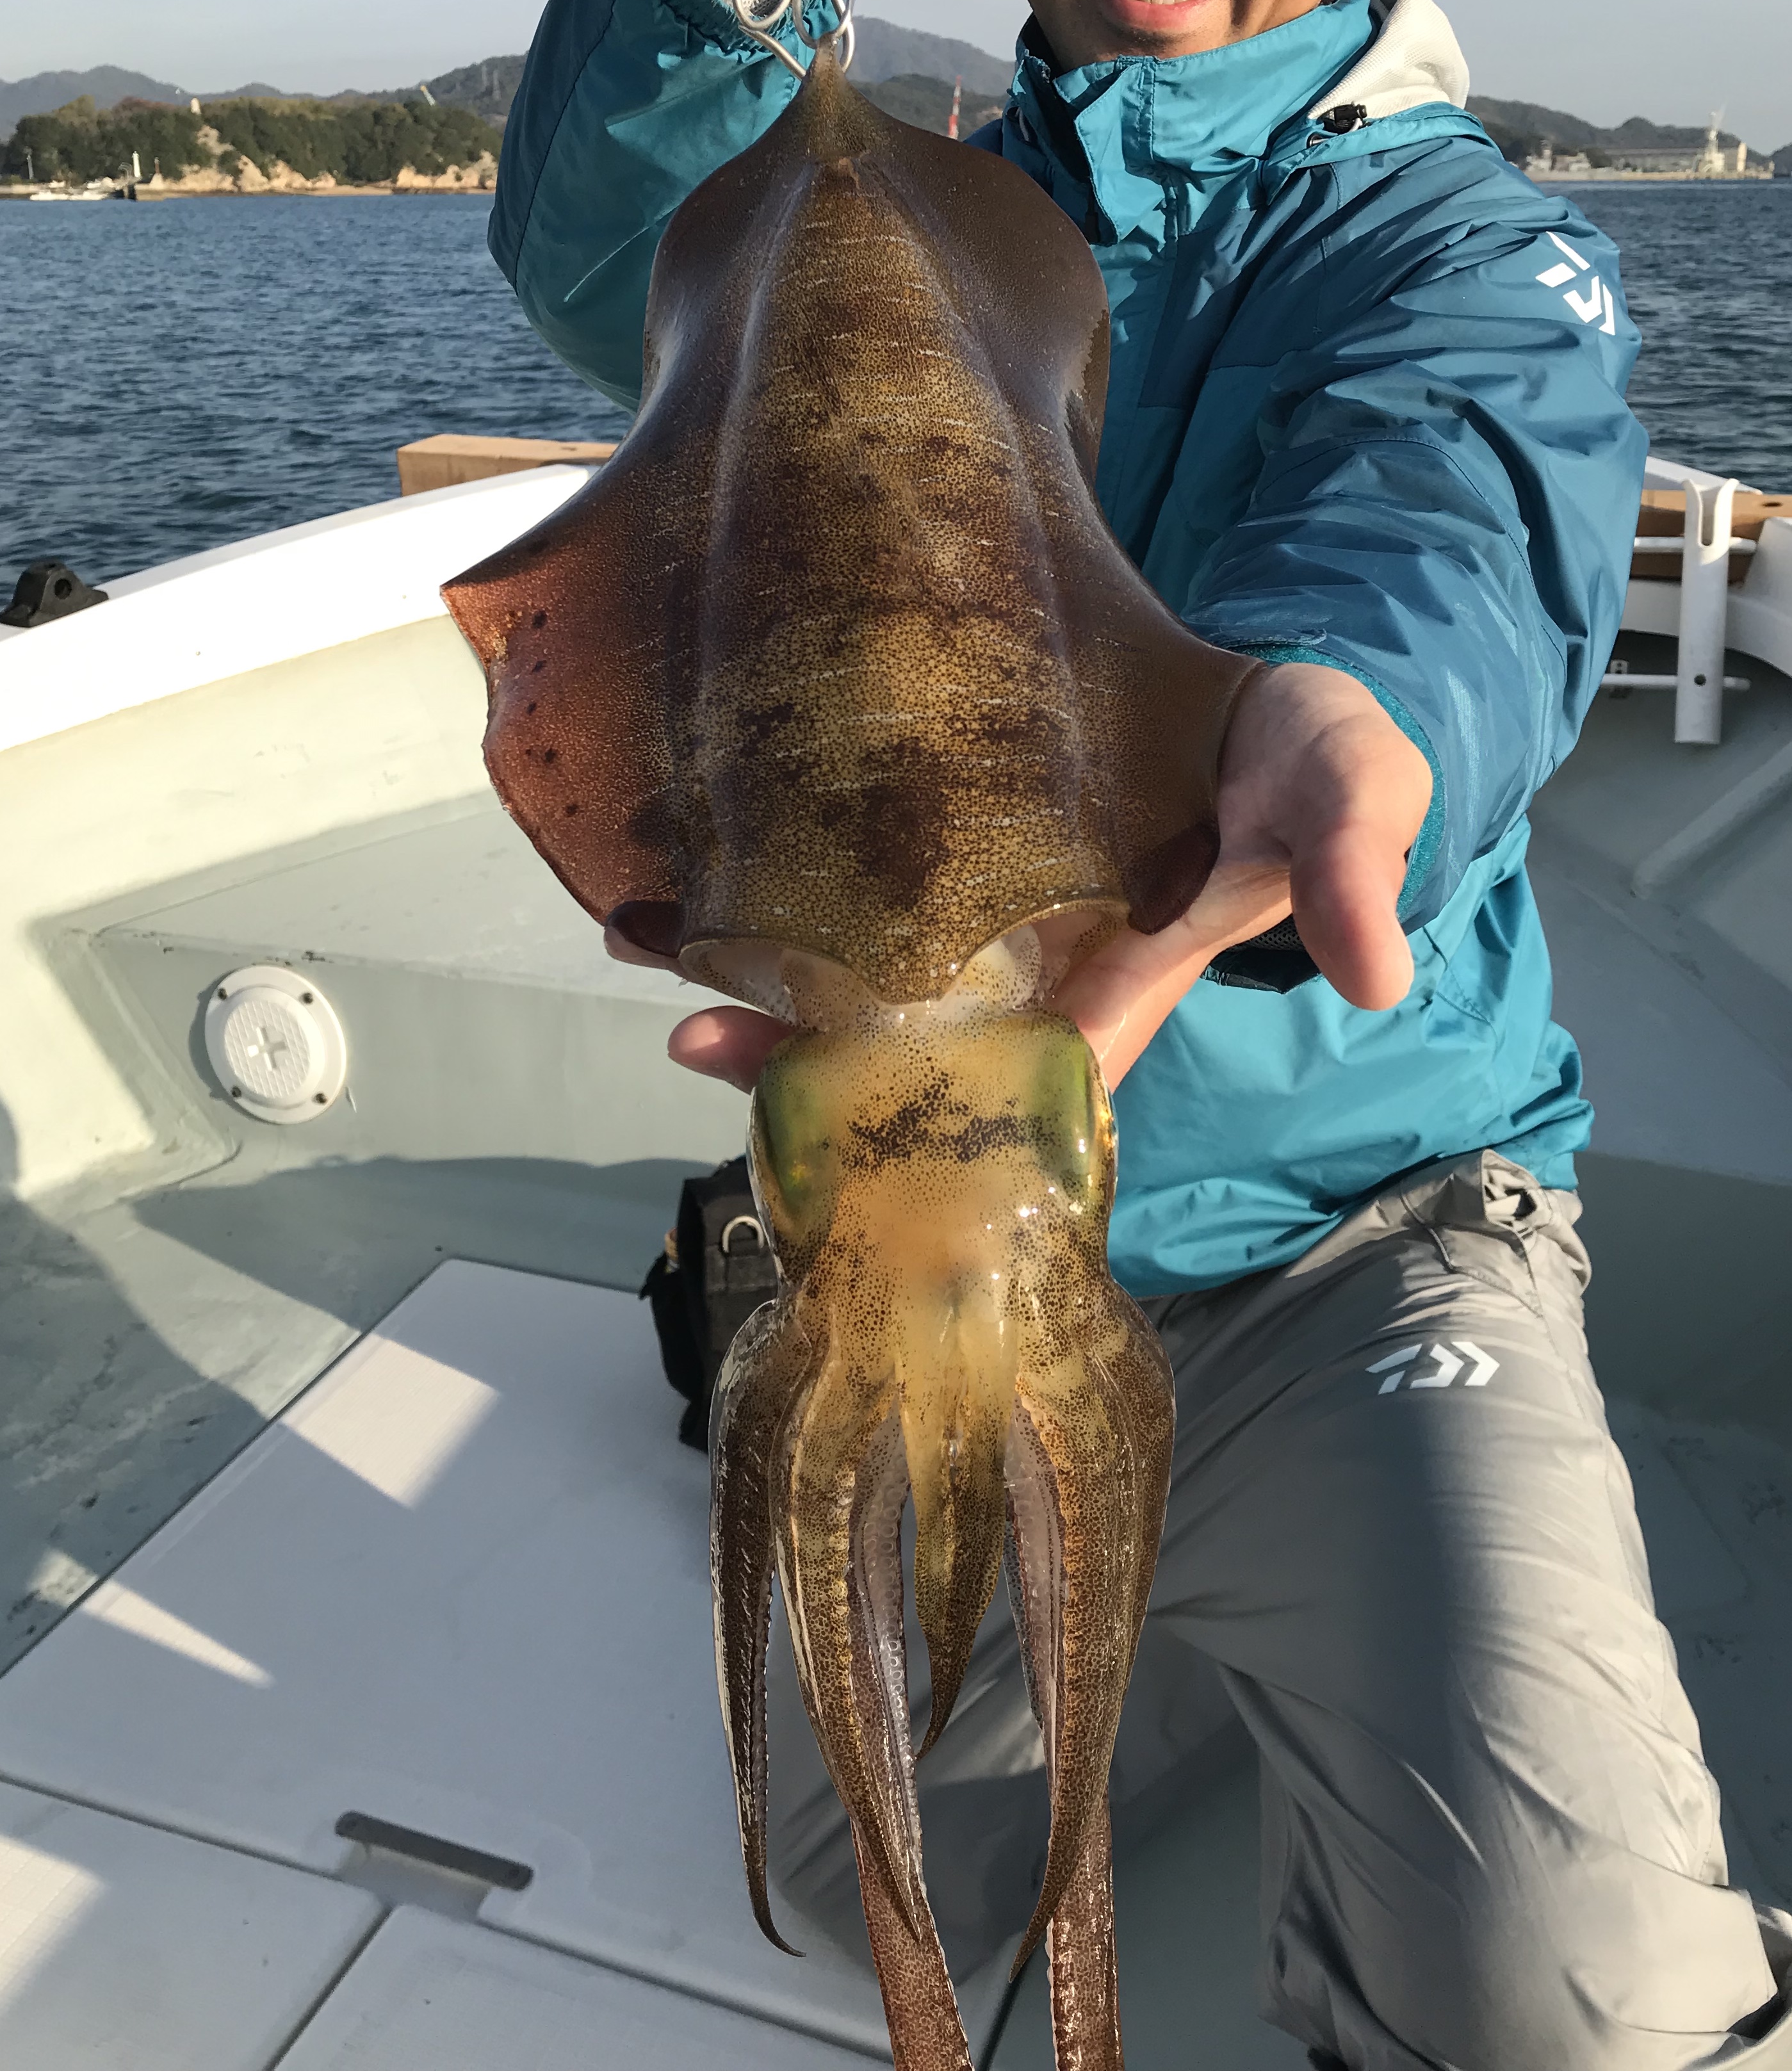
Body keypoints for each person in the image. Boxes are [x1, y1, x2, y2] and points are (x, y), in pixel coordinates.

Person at [490, 0, 1792, 2063]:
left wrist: (1333, 698)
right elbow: (606, 239)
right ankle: (1208, 1620)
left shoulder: (1449, 244)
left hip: (1357, 1242)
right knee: (871, 1881)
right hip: (946, 1202)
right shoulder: (905, 212)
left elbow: (1458, 507)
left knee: (1575, 2003)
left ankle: (1309, 1605)